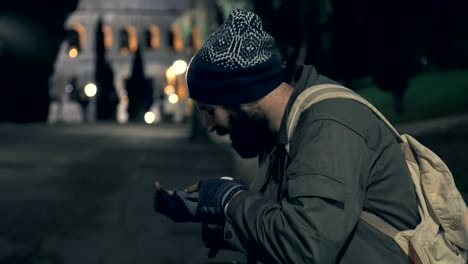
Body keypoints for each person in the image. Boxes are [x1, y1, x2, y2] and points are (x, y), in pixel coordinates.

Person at [153, 9, 420, 263]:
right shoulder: (283, 135)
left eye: (210, 111)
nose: (210, 126)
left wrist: (230, 199)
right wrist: (216, 219)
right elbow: (283, 227)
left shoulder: (326, 127)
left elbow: (305, 248)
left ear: (239, 97)